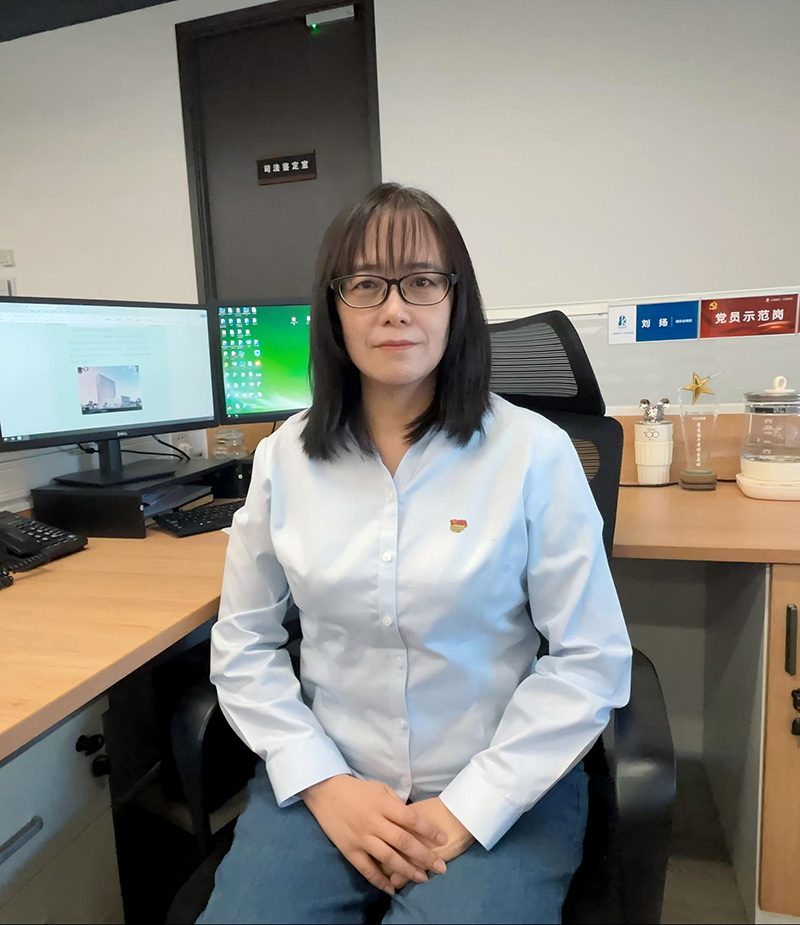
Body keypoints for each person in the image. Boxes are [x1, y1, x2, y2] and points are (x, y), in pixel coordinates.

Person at [198, 183, 632, 925]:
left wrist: (471, 807)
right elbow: (243, 644)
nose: (395, 308)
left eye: (422, 281)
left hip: (500, 784)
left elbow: (589, 658)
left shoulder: (535, 453)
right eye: (366, 284)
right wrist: (323, 782)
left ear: (456, 302)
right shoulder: (283, 459)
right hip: (332, 779)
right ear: (334, 308)